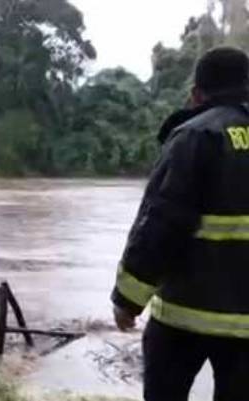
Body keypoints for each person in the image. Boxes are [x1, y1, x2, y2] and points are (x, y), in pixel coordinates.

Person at [111, 46, 249, 401]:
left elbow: (161, 222)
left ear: (196, 93)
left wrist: (127, 299)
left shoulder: (195, 136)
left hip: (182, 318)